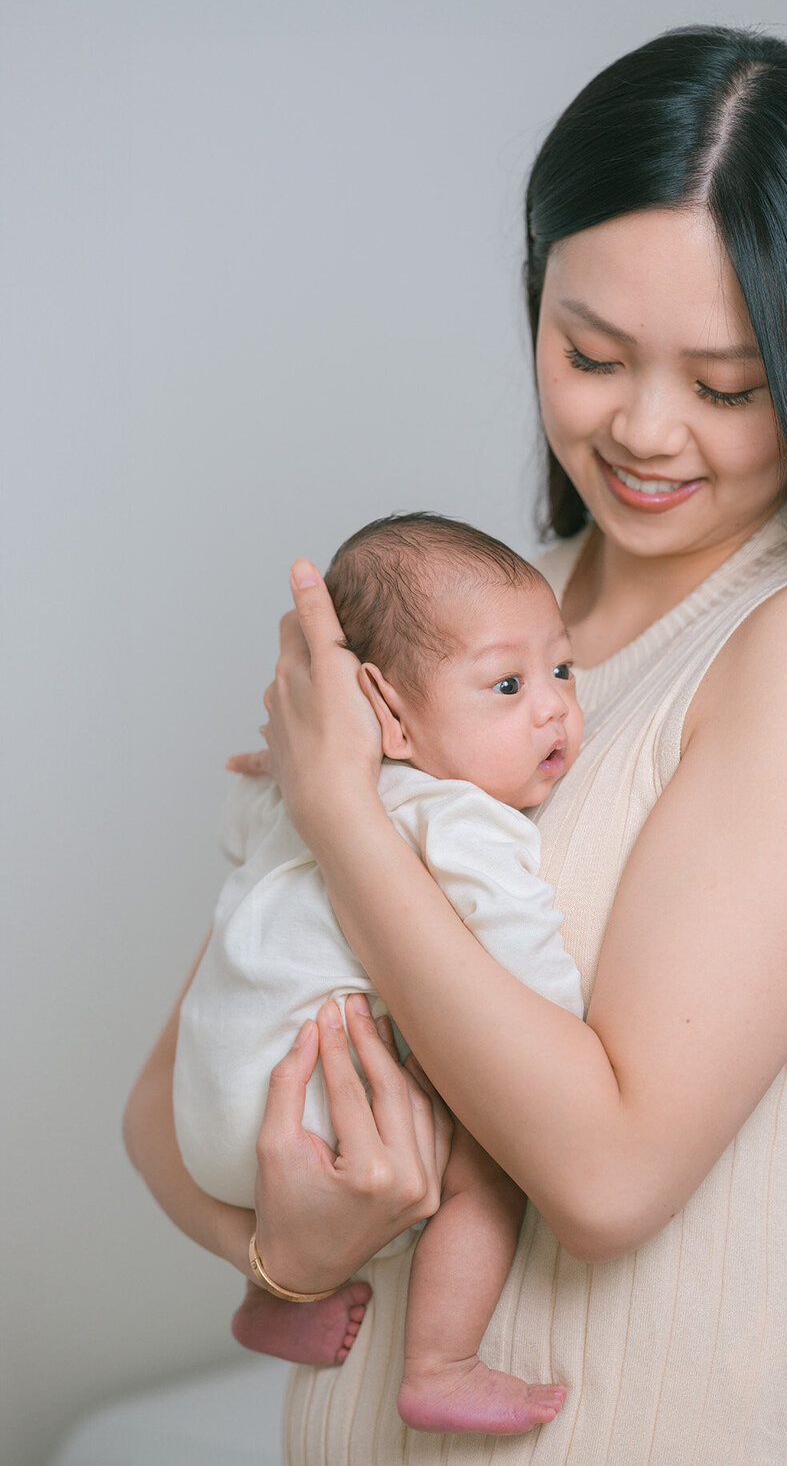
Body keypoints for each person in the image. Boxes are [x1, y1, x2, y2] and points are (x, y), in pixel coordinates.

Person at [125, 24, 787, 1464]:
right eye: (590, 353)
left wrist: (346, 813)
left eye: (727, 385)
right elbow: (163, 1107)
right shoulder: (486, 642)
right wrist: (283, 1246)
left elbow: (606, 1176)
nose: (646, 430)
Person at [172, 513, 584, 1434]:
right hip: (321, 1120)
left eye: (562, 670)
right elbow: (525, 962)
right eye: (508, 685)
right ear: (388, 713)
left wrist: (274, 778)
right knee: (492, 1164)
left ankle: (274, 1297)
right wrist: (569, 1035)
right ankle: (440, 1361)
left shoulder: (295, 783)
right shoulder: (461, 817)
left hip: (207, 1111)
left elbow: (239, 836)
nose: (553, 706)